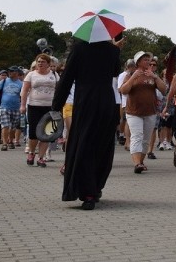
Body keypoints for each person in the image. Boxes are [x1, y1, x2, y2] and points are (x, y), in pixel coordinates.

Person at [52, 36, 123, 210]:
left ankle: (87, 192)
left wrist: (56, 106)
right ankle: (96, 188)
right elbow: (115, 72)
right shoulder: (113, 50)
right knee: (102, 147)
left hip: (86, 102)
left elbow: (66, 79)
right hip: (107, 103)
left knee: (84, 145)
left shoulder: (79, 49)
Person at [119, 51, 168, 174]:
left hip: (150, 112)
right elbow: (123, 91)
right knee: (137, 136)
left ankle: (140, 162)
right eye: (145, 59)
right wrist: (133, 77)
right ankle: (136, 163)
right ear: (138, 62)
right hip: (133, 112)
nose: (148, 62)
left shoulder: (152, 75)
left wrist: (155, 77)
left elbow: (164, 90)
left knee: (145, 139)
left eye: (149, 60)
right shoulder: (130, 74)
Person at [21, 53, 59, 167]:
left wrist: (58, 106)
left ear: (48, 64)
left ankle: (41, 157)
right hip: (34, 106)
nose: (40, 63)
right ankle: (31, 153)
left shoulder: (54, 75)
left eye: (43, 62)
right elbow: (24, 91)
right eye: (38, 61)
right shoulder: (31, 75)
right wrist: (22, 105)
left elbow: (59, 90)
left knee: (46, 133)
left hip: (49, 107)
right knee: (33, 133)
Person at [0, 66, 24, 150]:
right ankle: (5, 143)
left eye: (12, 71)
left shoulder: (21, 83)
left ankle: (11, 141)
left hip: (16, 107)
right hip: (4, 107)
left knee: (13, 127)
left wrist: (23, 106)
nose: (10, 73)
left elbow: (23, 96)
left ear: (17, 72)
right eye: (9, 71)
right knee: (5, 126)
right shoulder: (4, 81)